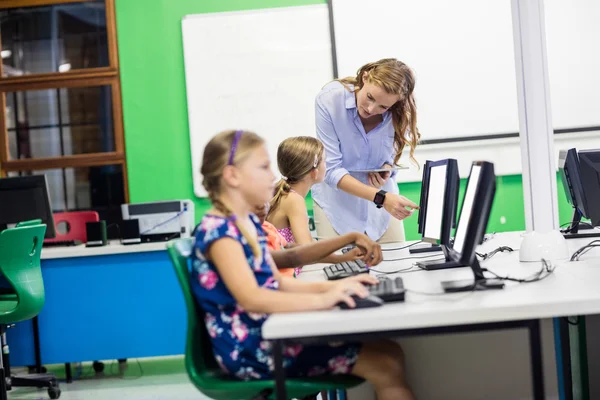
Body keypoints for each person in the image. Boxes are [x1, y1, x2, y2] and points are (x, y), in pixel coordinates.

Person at [191, 129, 414, 399]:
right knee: (386, 363)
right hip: (253, 350)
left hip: (266, 334)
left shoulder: (244, 223)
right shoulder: (220, 233)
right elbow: (252, 298)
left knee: (389, 350)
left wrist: (340, 286)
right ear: (232, 176)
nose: (273, 176)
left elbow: (277, 281)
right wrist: (326, 299)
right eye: (263, 167)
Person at [312, 58, 421, 243]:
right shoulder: (329, 100)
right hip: (336, 207)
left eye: (383, 106)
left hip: (382, 212)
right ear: (365, 77)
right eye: (370, 97)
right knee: (335, 270)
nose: (371, 109)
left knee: (399, 266)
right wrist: (381, 198)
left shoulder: (400, 114)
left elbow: (390, 157)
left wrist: (387, 169)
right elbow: (330, 170)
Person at [266, 136, 364, 275]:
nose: (327, 165)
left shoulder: (286, 194)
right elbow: (306, 249)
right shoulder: (294, 200)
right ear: (314, 172)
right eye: (324, 161)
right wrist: (340, 259)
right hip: (290, 276)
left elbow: (308, 242)